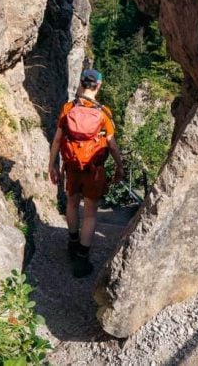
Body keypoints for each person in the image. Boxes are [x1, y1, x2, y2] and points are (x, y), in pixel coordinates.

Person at [48, 69, 124, 277]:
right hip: (94, 169)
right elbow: (113, 145)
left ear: (81, 83)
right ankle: (82, 260)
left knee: (72, 203)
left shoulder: (68, 108)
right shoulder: (104, 113)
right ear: (98, 86)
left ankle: (72, 243)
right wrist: (120, 166)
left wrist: (52, 165)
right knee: (90, 213)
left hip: (71, 166)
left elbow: (56, 140)